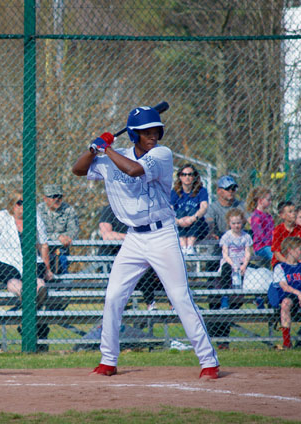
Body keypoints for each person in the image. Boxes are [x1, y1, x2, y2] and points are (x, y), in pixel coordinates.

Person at [72, 105, 219, 379]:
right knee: (114, 296)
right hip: (133, 238)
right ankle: (108, 360)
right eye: (146, 132)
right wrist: (92, 150)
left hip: (162, 234)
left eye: (156, 131)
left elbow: (134, 170)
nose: (153, 136)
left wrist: (107, 150)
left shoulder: (161, 154)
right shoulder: (108, 157)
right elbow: (78, 170)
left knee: (179, 297)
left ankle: (208, 361)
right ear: (133, 133)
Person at [0, 190, 53, 347]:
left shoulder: (35, 217)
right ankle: (34, 325)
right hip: (4, 260)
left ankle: (28, 319)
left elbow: (43, 245)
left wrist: (47, 269)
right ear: (12, 205)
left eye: (27, 202)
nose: (24, 206)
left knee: (40, 284)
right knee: (14, 280)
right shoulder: (1, 217)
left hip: (29, 259)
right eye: (20, 202)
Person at [98, 204, 160, 311]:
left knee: (146, 264)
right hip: (114, 254)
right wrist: (132, 238)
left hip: (135, 252)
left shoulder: (140, 210)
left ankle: (150, 305)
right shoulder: (110, 209)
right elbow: (107, 236)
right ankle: (124, 303)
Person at [209, 208, 253, 349]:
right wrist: (232, 264)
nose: (236, 226)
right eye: (233, 223)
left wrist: (244, 265)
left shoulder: (246, 236)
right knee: (226, 271)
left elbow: (247, 253)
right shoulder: (227, 236)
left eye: (239, 223)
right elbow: (225, 253)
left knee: (251, 272)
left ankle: (258, 299)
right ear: (229, 223)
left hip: (241, 263)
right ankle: (225, 298)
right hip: (229, 263)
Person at [272, 237, 301, 349]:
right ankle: (287, 342)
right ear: (290, 250)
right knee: (286, 303)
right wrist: (299, 294)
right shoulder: (280, 267)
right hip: (293, 296)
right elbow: (284, 286)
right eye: (299, 249)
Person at [37, 184, 80, 274]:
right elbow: (37, 233)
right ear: (45, 198)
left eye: (59, 196)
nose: (57, 199)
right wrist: (58, 237)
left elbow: (74, 230)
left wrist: (65, 238)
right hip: (41, 249)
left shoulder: (68, 209)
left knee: (62, 260)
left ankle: (63, 285)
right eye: (53, 196)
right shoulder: (38, 210)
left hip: (62, 248)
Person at [170, 164, 209, 255]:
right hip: (179, 224)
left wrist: (192, 219)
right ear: (180, 176)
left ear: (194, 176)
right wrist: (178, 221)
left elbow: (204, 207)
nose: (187, 177)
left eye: (190, 174)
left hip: (198, 226)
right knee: (180, 212)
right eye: (184, 174)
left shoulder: (201, 191)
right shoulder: (174, 192)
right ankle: (183, 247)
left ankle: (190, 247)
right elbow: (170, 210)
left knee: (193, 210)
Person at [271, 201, 301, 269]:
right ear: (282, 215)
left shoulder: (300, 229)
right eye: (290, 212)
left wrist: (298, 263)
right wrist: (288, 264)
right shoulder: (278, 230)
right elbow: (277, 253)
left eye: (294, 211)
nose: (294, 214)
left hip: (296, 262)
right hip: (281, 262)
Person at [205, 175, 245, 240]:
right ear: (218, 191)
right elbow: (210, 222)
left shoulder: (241, 205)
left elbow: (251, 219)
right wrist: (211, 232)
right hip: (217, 243)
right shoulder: (212, 207)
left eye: (233, 188)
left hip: (237, 242)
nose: (231, 191)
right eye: (227, 188)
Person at [246, 186, 274, 262]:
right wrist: (271, 243)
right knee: (275, 255)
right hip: (261, 247)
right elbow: (259, 235)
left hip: (271, 245)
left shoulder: (268, 216)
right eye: (268, 200)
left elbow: (272, 231)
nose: (270, 202)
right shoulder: (256, 216)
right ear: (260, 201)